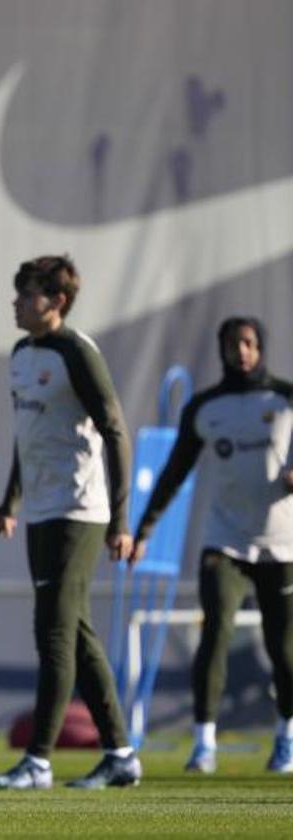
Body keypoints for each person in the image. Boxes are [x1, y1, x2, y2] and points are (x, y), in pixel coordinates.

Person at [0, 255, 140, 791]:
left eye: (28, 294)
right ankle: (120, 752)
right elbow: (27, 437)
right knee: (75, 631)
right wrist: (10, 499)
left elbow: (116, 432)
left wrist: (121, 520)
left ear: (58, 302)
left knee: (51, 630)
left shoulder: (77, 352)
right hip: (42, 510)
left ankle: (38, 760)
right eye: (18, 292)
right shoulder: (21, 354)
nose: (17, 302)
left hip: (80, 510)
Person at [131, 316, 293, 774]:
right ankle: (204, 743)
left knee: (283, 647)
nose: (240, 351)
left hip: (280, 544)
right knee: (215, 634)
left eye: (248, 342)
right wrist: (144, 528)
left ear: (260, 347)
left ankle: (286, 738)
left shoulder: (284, 398)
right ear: (222, 350)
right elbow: (174, 471)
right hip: (224, 541)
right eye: (232, 343)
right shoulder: (206, 407)